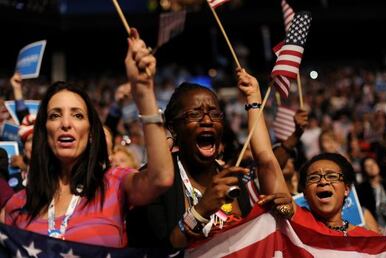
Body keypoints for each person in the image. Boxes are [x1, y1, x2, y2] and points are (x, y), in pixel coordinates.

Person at [0, 27, 174, 248]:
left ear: (92, 134)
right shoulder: (16, 205)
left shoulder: (115, 184)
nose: (65, 123)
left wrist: (143, 91)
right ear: (43, 132)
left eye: (77, 115)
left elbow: (161, 178)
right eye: (55, 115)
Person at [127, 68, 290, 255]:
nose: (207, 120)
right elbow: (154, 251)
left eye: (214, 114)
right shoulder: (155, 181)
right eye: (194, 114)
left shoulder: (235, 180)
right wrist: (201, 210)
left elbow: (265, 160)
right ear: (173, 128)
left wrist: (282, 208)